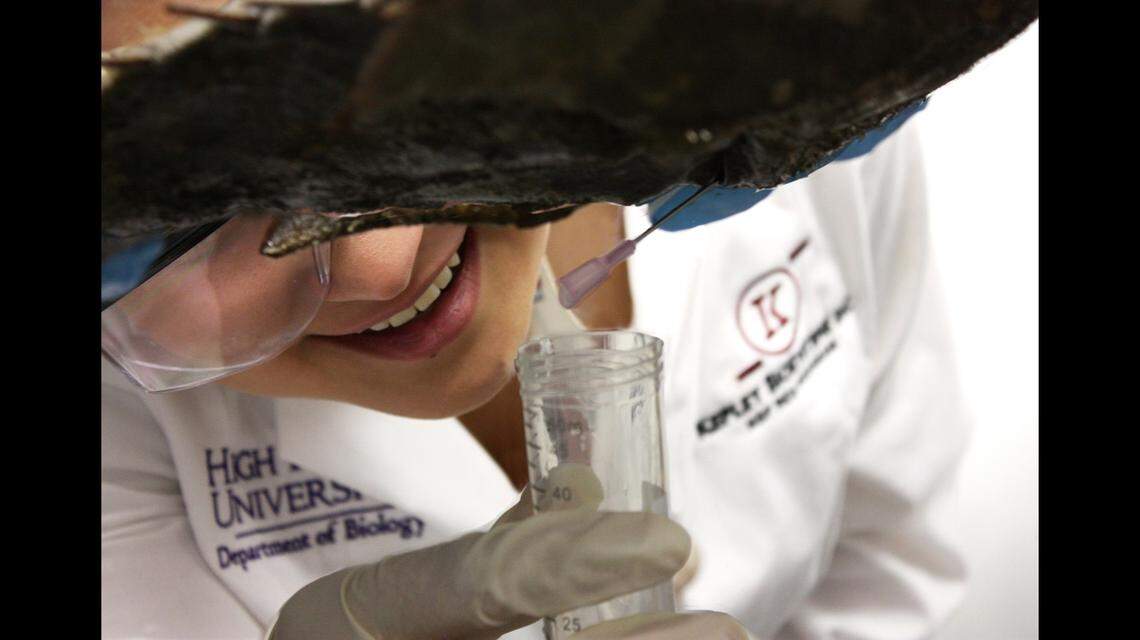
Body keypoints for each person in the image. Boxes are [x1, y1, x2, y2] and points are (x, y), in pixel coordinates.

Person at [102, 3, 969, 638]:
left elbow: (893, 578)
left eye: (396, 99)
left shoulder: (778, 100)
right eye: (198, 207)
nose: (381, 266)